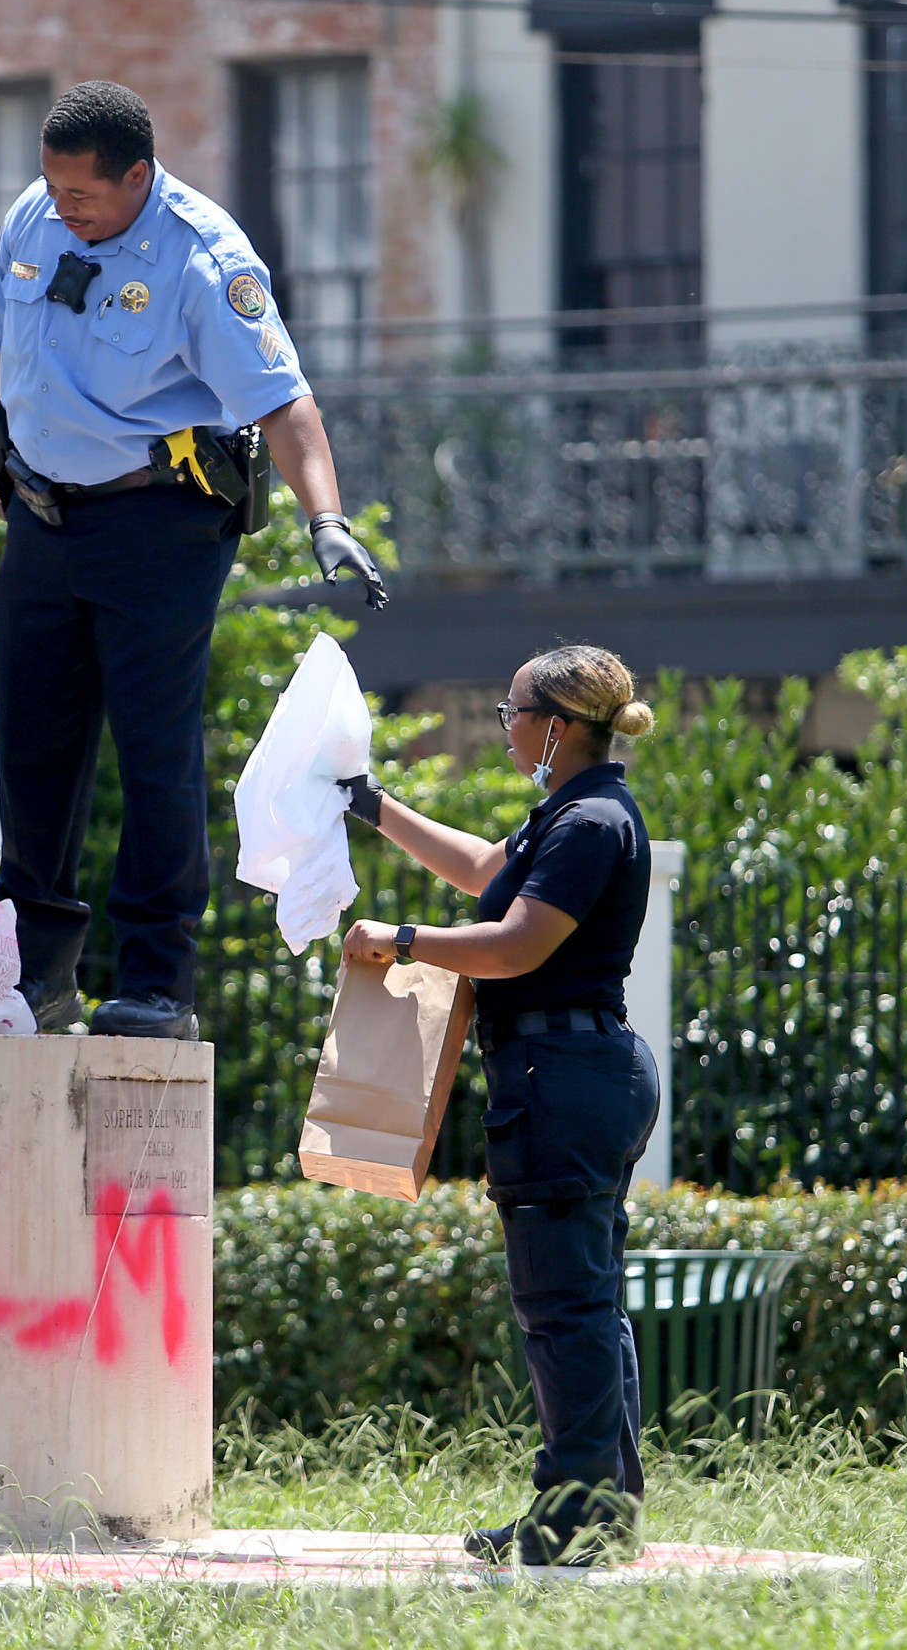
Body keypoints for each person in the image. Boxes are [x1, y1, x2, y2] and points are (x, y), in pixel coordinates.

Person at [0, 80, 389, 1041]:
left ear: (137, 176)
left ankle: (156, 984)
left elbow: (285, 400)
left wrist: (328, 517)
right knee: (35, 753)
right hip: (41, 515)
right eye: (53, 190)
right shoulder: (37, 211)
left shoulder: (205, 258)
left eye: (84, 196)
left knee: (153, 749)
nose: (64, 210)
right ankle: (32, 976)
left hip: (159, 524)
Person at [337, 645, 661, 1567]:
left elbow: (515, 945)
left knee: (563, 1307)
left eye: (510, 709)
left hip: (562, 1076)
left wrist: (403, 940)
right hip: (574, 1073)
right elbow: (485, 867)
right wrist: (373, 806)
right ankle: (603, 1512)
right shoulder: (570, 815)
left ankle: (574, 1521)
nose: (503, 724)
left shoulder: (592, 822)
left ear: (555, 725)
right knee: (586, 1301)